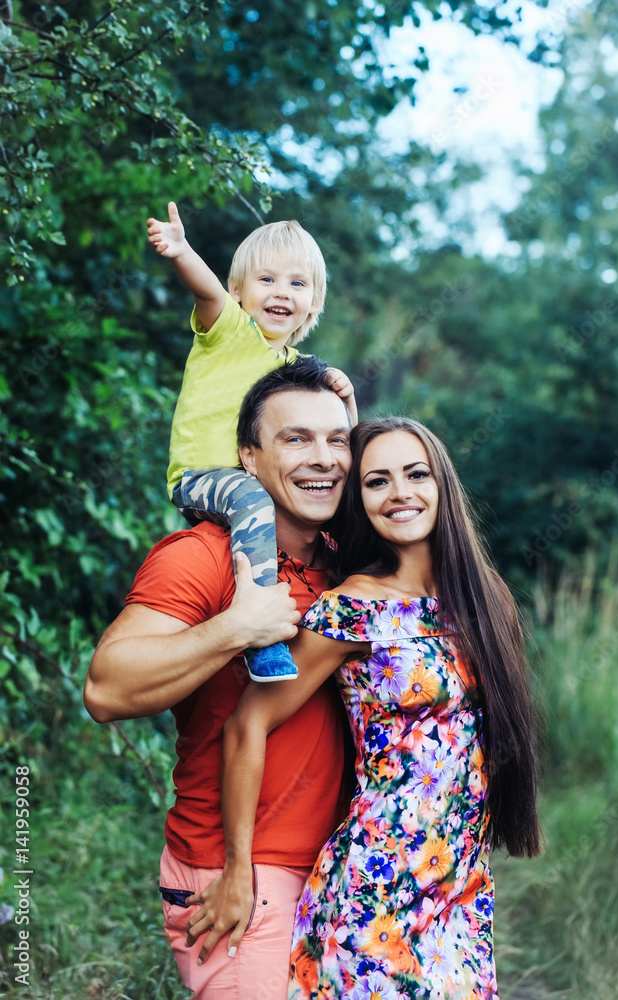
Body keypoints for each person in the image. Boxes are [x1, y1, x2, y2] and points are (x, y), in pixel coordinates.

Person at [204, 416, 541, 998]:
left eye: (416, 474)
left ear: (443, 484)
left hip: (458, 893)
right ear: (359, 500)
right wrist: (238, 869)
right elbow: (247, 723)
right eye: (376, 481)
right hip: (373, 889)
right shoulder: (351, 610)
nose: (400, 494)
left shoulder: (486, 599)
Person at [84, 357, 355, 1000]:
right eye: (295, 439)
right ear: (249, 460)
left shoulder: (351, 566)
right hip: (233, 878)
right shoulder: (203, 556)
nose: (323, 458)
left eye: (336, 439)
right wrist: (237, 627)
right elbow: (106, 689)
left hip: (341, 870)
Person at [146, 202, 357, 682]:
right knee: (253, 497)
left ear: (314, 301)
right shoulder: (230, 332)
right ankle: (260, 631)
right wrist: (181, 251)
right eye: (267, 280)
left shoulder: (298, 367)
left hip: (249, 489)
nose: (282, 292)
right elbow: (205, 290)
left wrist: (345, 396)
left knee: (345, 504)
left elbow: (341, 438)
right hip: (201, 478)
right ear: (238, 290)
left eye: (297, 283)